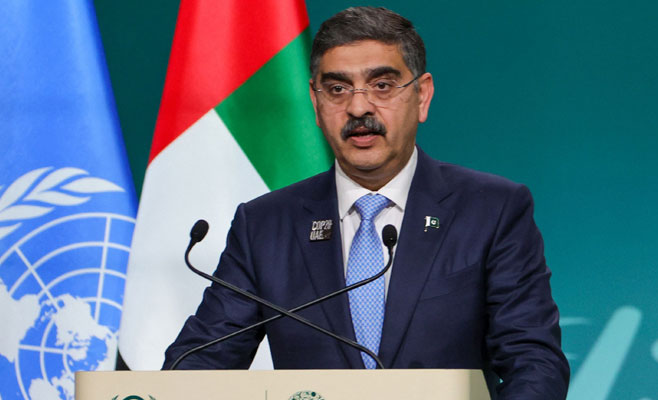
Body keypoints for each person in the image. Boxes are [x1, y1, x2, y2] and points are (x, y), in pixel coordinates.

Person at [164, 6, 569, 399]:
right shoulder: (266, 225)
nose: (358, 108)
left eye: (382, 86)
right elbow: (201, 362)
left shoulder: (491, 209)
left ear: (422, 96)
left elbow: (532, 360)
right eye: (337, 89)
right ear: (316, 103)